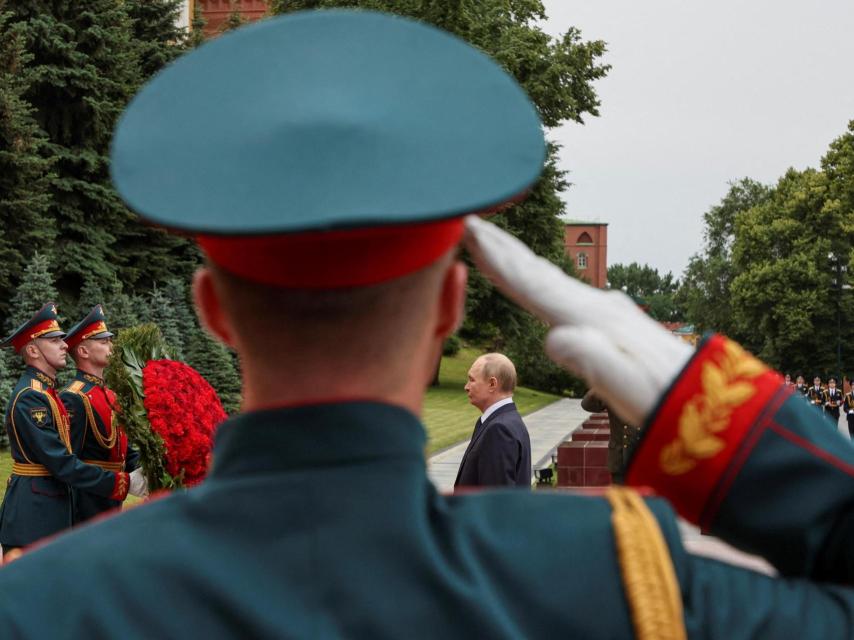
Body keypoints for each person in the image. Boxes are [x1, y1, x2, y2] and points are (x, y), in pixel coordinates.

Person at [3, 11, 854, 638]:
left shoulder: (47, 605)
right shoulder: (616, 582)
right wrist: (716, 414)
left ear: (214, 311)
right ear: (450, 310)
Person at [0, 303, 143, 559]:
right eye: (55, 340)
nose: (65, 344)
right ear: (32, 350)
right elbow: (62, 462)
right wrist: (124, 483)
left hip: (50, 511)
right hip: (34, 515)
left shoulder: (46, 393)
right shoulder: (30, 397)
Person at [60, 305, 143, 523]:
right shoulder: (74, 397)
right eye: (104, 342)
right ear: (84, 352)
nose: (111, 347)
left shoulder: (111, 395)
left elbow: (123, 449)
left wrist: (149, 467)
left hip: (112, 499)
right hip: (86, 504)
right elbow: (69, 463)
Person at [454, 353, 531, 489]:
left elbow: (495, 501)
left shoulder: (499, 429)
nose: (466, 387)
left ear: (492, 384)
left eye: (471, 380)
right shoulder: (507, 421)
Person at [580, 390, 640, 484]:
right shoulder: (612, 390)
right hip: (620, 458)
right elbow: (587, 404)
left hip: (644, 458)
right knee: (620, 496)